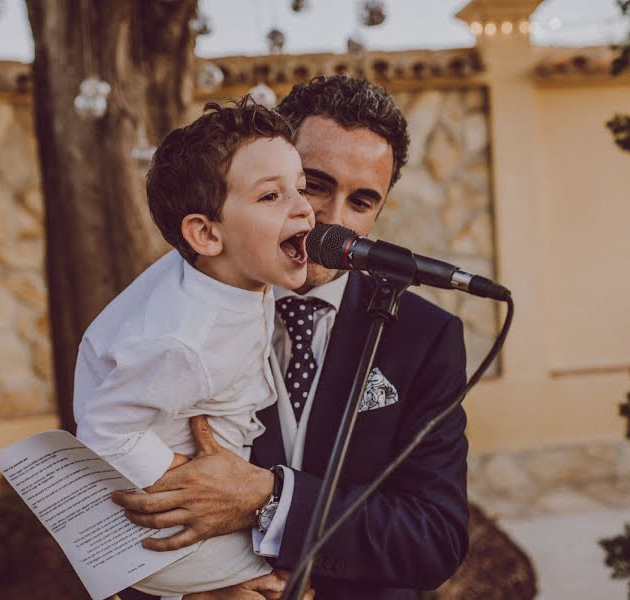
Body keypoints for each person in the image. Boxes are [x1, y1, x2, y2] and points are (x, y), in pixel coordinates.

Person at [114, 75, 470, 600]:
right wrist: (200, 589)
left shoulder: (426, 337)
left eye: (363, 201)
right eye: (315, 184)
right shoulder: (173, 313)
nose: (330, 220)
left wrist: (271, 497)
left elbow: (433, 539)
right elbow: (122, 502)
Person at [72, 97, 316, 596]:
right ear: (205, 233)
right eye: (271, 197)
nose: (304, 208)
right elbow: (103, 430)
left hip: (206, 477)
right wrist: (188, 478)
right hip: (170, 526)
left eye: (301, 187)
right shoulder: (184, 341)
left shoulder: (231, 273)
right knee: (299, 570)